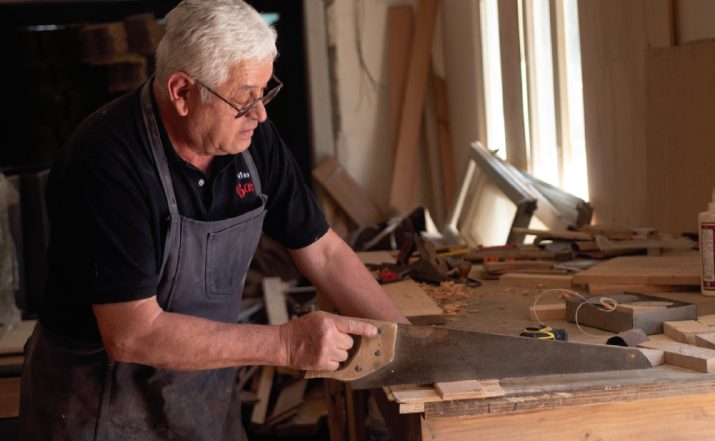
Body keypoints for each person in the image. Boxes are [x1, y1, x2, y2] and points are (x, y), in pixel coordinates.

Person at [18, 1, 408, 439]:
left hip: (201, 389)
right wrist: (286, 344)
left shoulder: (249, 139)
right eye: (244, 100)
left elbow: (323, 250)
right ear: (182, 92)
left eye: (265, 92)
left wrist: (407, 346)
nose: (260, 115)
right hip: (98, 403)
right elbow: (131, 333)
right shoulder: (107, 162)